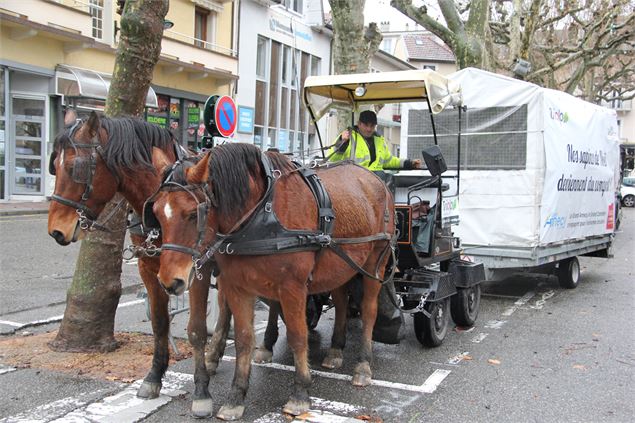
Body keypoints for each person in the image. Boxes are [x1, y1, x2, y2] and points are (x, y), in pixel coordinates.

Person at [328, 110, 421, 170]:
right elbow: (333, 159)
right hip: (354, 183)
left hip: (376, 182)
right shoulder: (347, 137)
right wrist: (342, 143)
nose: (369, 129)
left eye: (372, 126)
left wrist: (409, 163)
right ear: (359, 124)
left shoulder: (379, 141)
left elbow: (389, 161)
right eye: (366, 125)